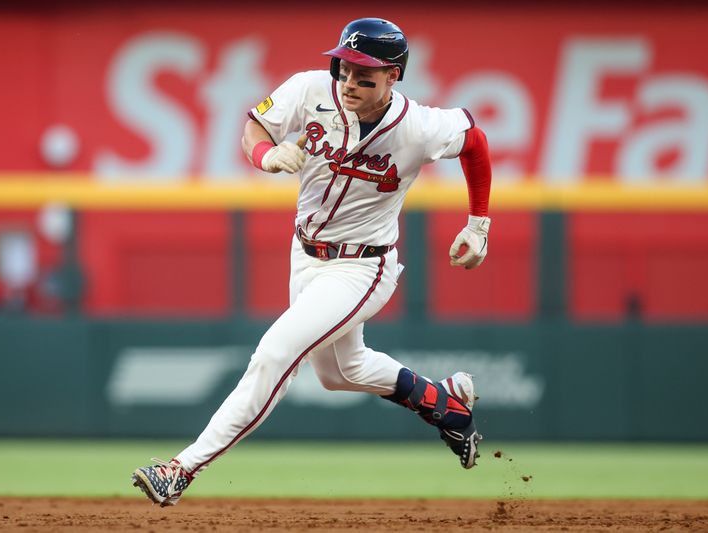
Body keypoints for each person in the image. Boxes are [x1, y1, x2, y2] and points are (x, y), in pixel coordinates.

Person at [132, 17, 492, 507]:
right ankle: (445, 403)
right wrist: (265, 155)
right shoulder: (308, 90)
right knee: (340, 371)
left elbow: (475, 141)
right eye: (344, 69)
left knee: (276, 353)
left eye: (364, 76)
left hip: (363, 267)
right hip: (305, 255)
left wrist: (478, 225)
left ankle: (181, 468)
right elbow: (255, 126)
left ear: (393, 76)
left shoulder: (420, 127)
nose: (348, 83)